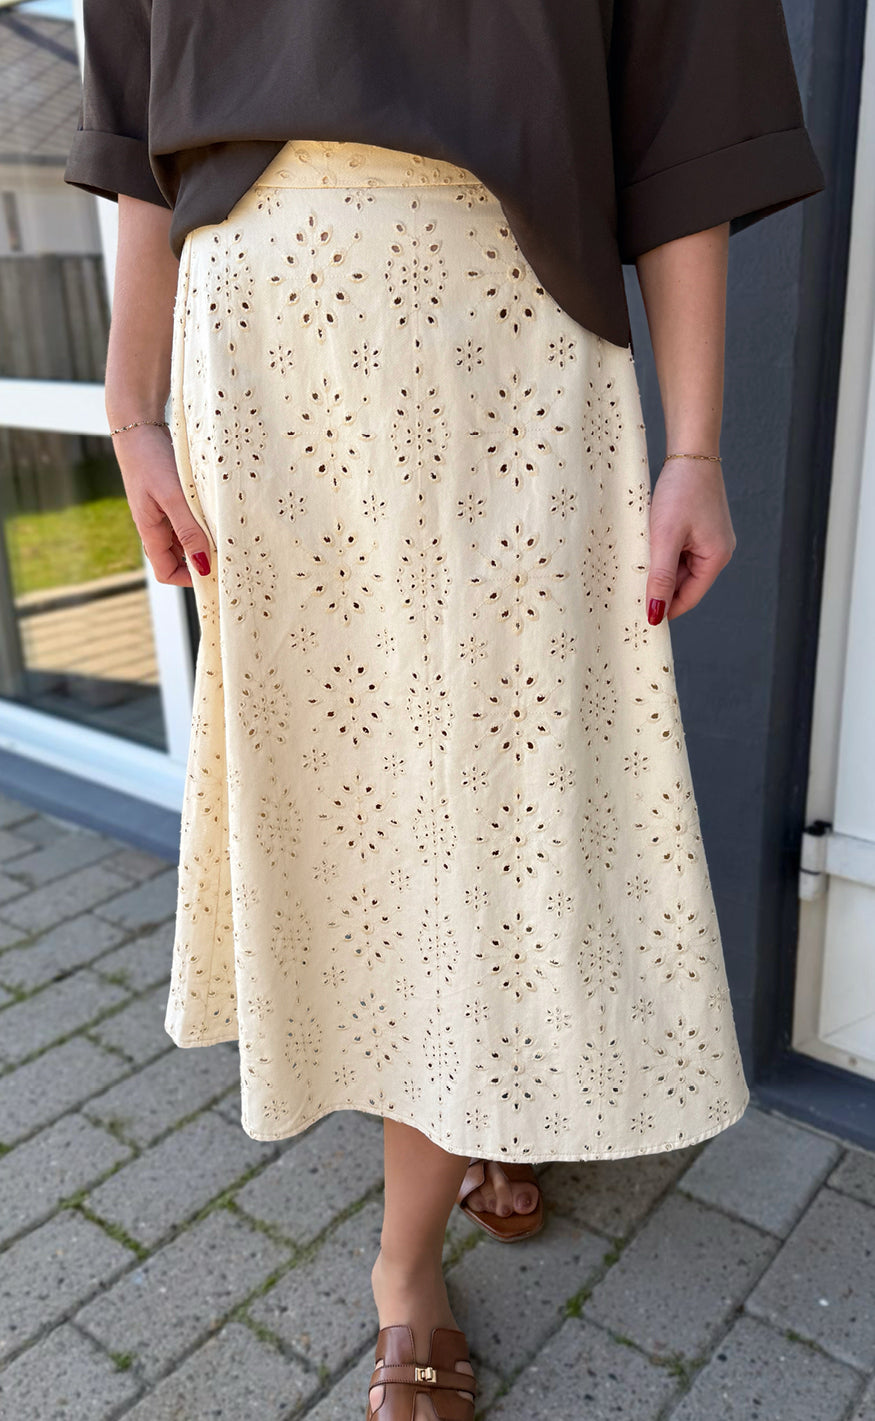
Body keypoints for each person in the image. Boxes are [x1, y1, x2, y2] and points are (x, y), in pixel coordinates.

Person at [65, 4, 824, 1417]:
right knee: (356, 809)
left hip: (509, 335)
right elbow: (130, 94)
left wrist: (699, 445)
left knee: (490, 804)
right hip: (262, 350)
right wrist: (132, 402)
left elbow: (686, 91)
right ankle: (429, 1217)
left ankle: (440, 1184)